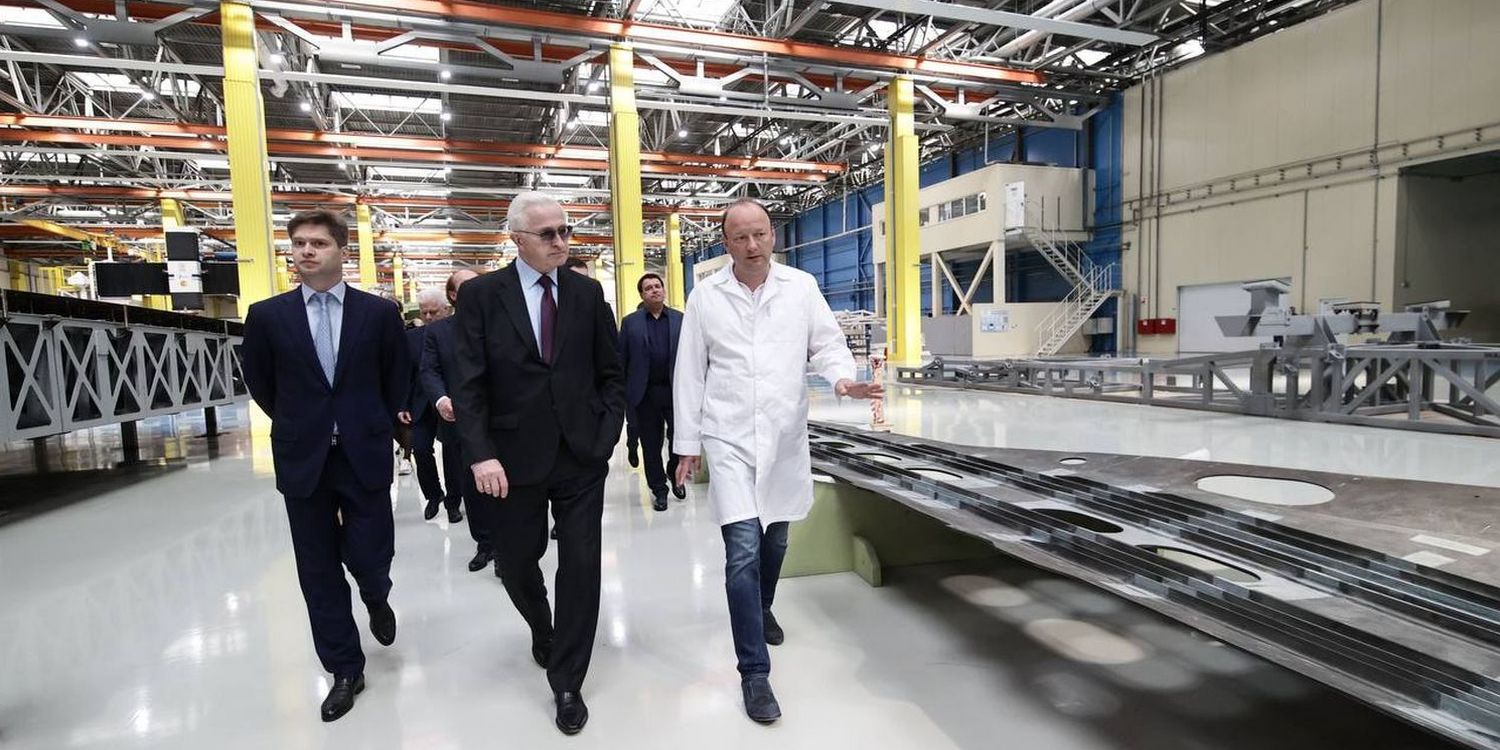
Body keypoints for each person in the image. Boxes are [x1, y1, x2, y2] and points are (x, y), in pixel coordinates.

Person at [673, 198, 882, 724]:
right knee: (742, 548)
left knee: (777, 539)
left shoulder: (800, 287)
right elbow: (690, 372)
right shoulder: (706, 297)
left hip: (784, 434)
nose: (752, 245)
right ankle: (754, 673)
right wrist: (687, 443)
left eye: (760, 234)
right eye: (740, 237)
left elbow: (827, 344)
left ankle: (762, 604)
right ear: (726, 244)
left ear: (773, 235)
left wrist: (843, 379)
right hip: (728, 436)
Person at [452, 192, 626, 735]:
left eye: (565, 231)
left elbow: (611, 372)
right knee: (517, 561)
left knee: (582, 563)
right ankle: (541, 624)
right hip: (509, 460)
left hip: (580, 454)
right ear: (517, 239)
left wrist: (605, 436)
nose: (560, 242)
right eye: (547, 234)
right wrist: (480, 453)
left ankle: (567, 679)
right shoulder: (482, 296)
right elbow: (468, 382)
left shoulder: (586, 292)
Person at [240, 209, 409, 722]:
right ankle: (344, 668)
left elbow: (396, 376)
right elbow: (261, 382)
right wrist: (303, 421)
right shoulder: (267, 316)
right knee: (316, 568)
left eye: (318, 243)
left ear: (342, 251)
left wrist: (370, 421)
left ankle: (375, 594)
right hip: (304, 455)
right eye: (299, 243)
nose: (307, 251)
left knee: (371, 551)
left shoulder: (377, 313)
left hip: (363, 451)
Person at [420, 268, 494, 573]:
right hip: (460, 422)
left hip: (503, 420)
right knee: (473, 487)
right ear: (452, 295)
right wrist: (440, 399)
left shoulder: (502, 324)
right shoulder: (438, 332)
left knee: (510, 487)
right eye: (466, 286)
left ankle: (508, 550)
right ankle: (485, 544)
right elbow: (429, 370)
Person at [618, 272, 684, 511]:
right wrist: (623, 393)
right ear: (642, 295)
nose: (655, 290)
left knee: (678, 439)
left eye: (658, 286)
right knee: (651, 445)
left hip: (675, 393)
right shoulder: (631, 323)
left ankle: (674, 474)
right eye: (648, 288)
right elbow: (622, 359)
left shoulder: (680, 319)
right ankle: (659, 489)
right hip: (644, 394)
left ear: (664, 290)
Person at [403, 288, 462, 523]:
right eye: (424, 312)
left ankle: (453, 501)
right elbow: (406, 374)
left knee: (452, 453)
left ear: (446, 310)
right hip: (421, 403)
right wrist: (402, 404)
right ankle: (433, 494)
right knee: (420, 448)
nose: (428, 317)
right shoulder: (411, 338)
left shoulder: (458, 334)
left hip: (450, 402)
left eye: (433, 312)